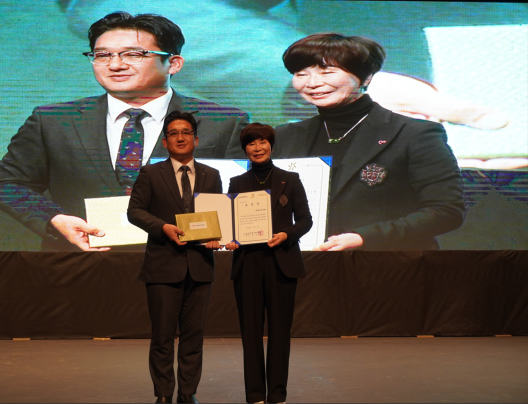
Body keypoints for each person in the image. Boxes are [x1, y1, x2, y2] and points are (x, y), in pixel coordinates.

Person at [0, 11, 249, 251]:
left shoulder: (224, 121)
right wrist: (55, 219)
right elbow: (8, 185)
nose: (115, 65)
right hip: (82, 269)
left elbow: (247, 195)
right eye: (102, 55)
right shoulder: (52, 120)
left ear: (174, 63)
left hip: (186, 266)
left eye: (133, 55)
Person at [274, 33, 465, 250]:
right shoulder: (284, 136)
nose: (313, 83)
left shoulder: (414, 133)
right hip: (303, 270)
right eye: (301, 74)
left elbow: (446, 211)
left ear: (366, 78)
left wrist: (364, 237)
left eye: (327, 72)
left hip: (387, 270)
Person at [127, 111, 222, 404]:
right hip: (162, 266)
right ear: (165, 142)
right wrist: (163, 227)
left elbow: (218, 217)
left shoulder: (211, 174)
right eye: (173, 133)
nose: (180, 137)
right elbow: (135, 212)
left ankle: (188, 392)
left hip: (200, 267)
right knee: (163, 337)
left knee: (194, 337)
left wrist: (220, 235)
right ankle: (164, 394)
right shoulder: (150, 173)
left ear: (196, 138)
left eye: (185, 132)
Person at [225, 123, 313, 404]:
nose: (257, 148)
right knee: (250, 333)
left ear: (271, 145)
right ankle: (254, 395)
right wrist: (230, 237)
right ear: (245, 149)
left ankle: (277, 394)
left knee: (279, 332)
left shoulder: (291, 178)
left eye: (262, 142)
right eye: (251, 143)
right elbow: (230, 224)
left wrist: (287, 234)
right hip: (247, 264)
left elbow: (305, 220)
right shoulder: (237, 183)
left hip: (281, 263)